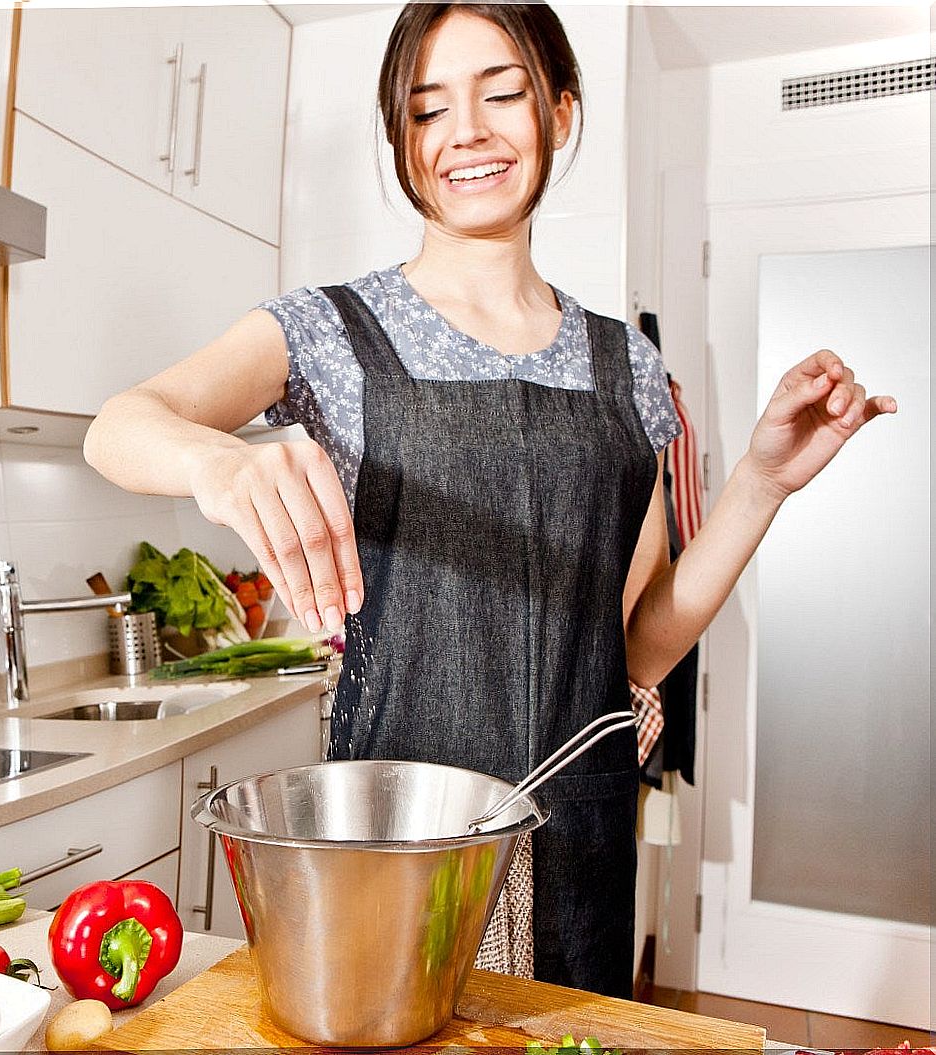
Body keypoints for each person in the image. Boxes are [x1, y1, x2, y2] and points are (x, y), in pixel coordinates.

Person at [83, 2, 896, 996]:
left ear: (557, 112)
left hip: (577, 842)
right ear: (400, 138)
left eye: (500, 94)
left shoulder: (625, 366)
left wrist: (761, 480)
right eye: (426, 111)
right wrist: (218, 461)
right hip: (399, 843)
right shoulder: (329, 332)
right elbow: (120, 423)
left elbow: (633, 645)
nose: (464, 130)